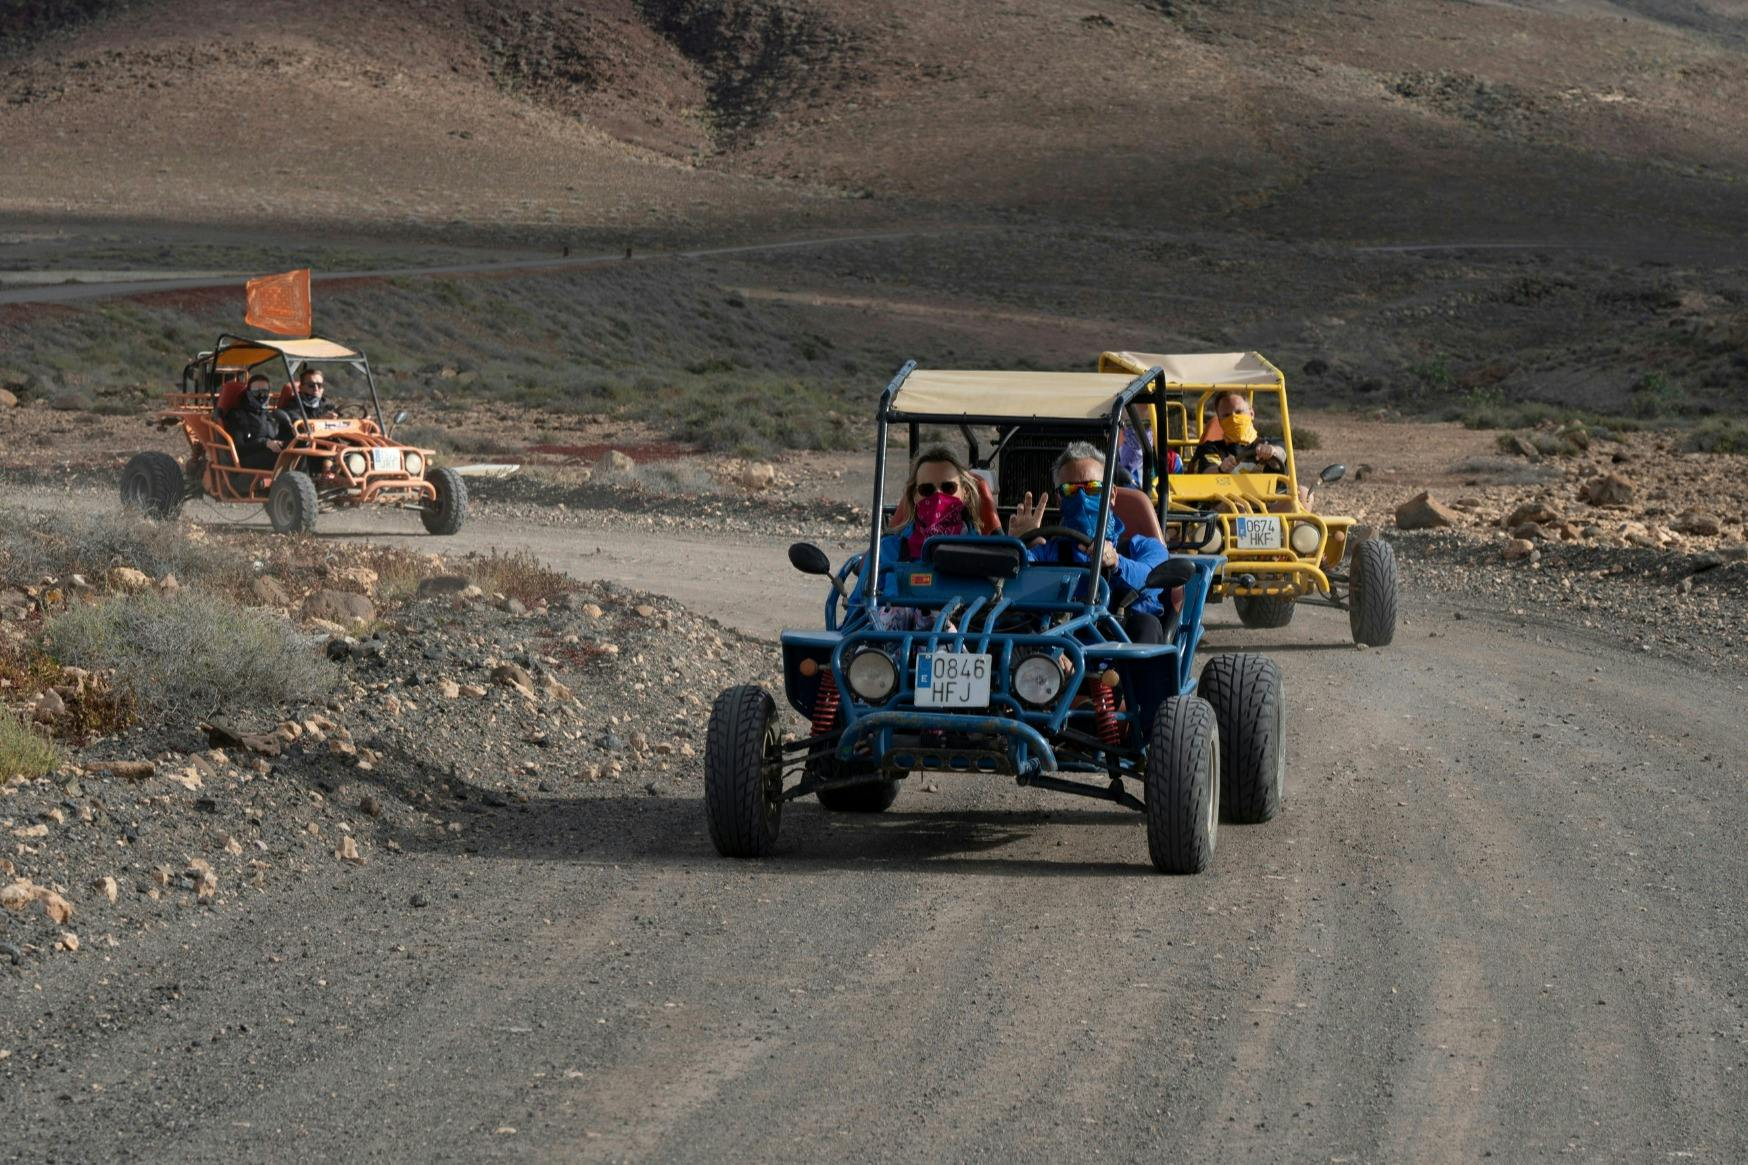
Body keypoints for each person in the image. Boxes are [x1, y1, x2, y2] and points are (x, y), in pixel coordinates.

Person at [1008, 441, 1174, 644]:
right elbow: (1013, 575)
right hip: (1054, 657)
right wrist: (1018, 545)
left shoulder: (1142, 547)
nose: (1081, 497)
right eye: (1070, 490)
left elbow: (1152, 578)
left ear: (1111, 494)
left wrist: (1116, 562)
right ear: (1059, 499)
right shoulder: (1051, 551)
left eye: (1093, 488)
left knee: (1146, 624)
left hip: (1122, 652)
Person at [867, 446, 999, 631]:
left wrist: (1027, 542)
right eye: (927, 490)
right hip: (893, 649)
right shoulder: (887, 550)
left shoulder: (988, 553)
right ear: (914, 497)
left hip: (963, 647)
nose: (938, 497)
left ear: (965, 494)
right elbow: (857, 614)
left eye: (948, 488)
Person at [1191, 390, 1286, 474]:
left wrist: (1272, 451)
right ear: (1220, 421)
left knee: (1301, 491)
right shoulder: (1210, 448)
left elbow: (1281, 453)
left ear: (1251, 414)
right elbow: (1207, 471)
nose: (1233, 418)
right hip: (1225, 493)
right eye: (1226, 415)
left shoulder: (1272, 443)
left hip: (1267, 494)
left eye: (1239, 412)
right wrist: (1220, 469)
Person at [223, 373, 289, 472]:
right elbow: (238, 449)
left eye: (264, 392)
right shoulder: (237, 416)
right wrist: (265, 443)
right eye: (256, 392)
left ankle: (315, 480)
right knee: (281, 456)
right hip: (245, 461)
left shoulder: (271, 417)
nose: (261, 395)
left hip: (270, 456)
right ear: (248, 393)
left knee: (297, 451)